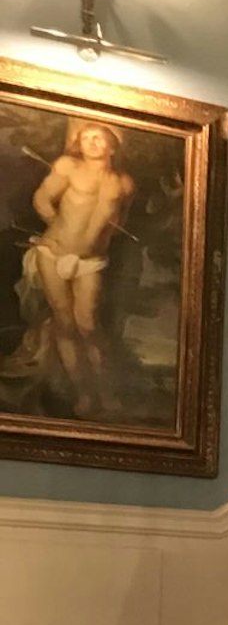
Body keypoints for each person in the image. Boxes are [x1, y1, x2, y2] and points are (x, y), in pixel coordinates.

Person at [7, 119, 134, 419]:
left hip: (90, 262)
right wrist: (59, 228)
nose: (92, 143)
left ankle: (106, 391)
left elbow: (121, 221)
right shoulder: (67, 167)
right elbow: (42, 198)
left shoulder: (124, 183)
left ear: (112, 145)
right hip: (53, 254)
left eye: (99, 138)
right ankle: (84, 394)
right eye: (86, 137)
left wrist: (96, 242)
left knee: (88, 324)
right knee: (65, 322)